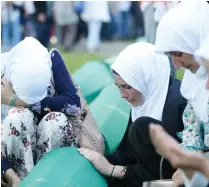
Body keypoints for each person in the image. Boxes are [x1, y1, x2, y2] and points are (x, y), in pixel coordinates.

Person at [78, 42, 187, 187]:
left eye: (127, 86)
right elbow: (129, 153)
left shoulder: (179, 103)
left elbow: (166, 171)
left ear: (146, 77)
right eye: (119, 87)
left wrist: (113, 170)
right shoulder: (146, 100)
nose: (122, 95)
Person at [1, 37, 81, 184]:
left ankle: (51, 181)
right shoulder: (3, 71)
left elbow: (74, 104)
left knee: (56, 121)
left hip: (49, 136)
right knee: (17, 118)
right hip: (12, 165)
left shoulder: (51, 59)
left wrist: (16, 101)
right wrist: (11, 177)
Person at [154, 0, 209, 185]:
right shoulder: (192, 80)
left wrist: (195, 166)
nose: (176, 65)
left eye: (178, 53)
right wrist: (186, 165)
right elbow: (191, 130)